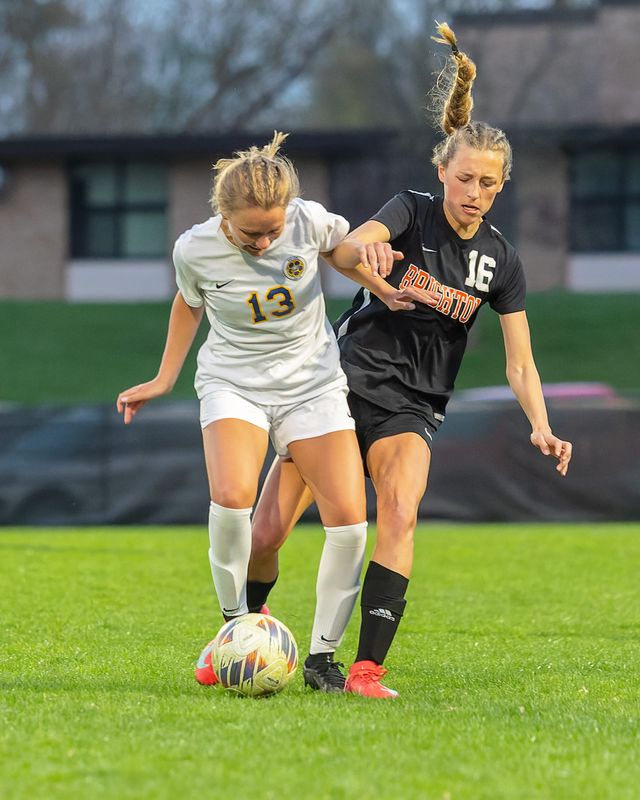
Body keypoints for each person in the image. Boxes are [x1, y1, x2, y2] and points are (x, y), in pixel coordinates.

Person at [247, 23, 573, 699]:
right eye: (463, 178)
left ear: (501, 185)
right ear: (441, 173)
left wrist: (541, 423)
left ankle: (355, 669)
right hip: (336, 387)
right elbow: (349, 248)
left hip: (413, 404)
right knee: (270, 528)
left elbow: (520, 362)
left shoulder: (502, 261)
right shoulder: (412, 211)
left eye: (487, 182)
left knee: (398, 511)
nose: (472, 192)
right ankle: (247, 627)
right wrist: (370, 263)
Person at [115, 133, 416, 693]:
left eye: (273, 230)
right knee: (232, 498)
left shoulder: (308, 220)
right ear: (223, 217)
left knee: (350, 522)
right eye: (251, 232)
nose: (265, 240)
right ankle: (234, 631)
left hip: (314, 384)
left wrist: (377, 280)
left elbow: (341, 250)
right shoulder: (195, 249)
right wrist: (163, 378)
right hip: (235, 383)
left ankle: (323, 660)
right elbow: (189, 303)